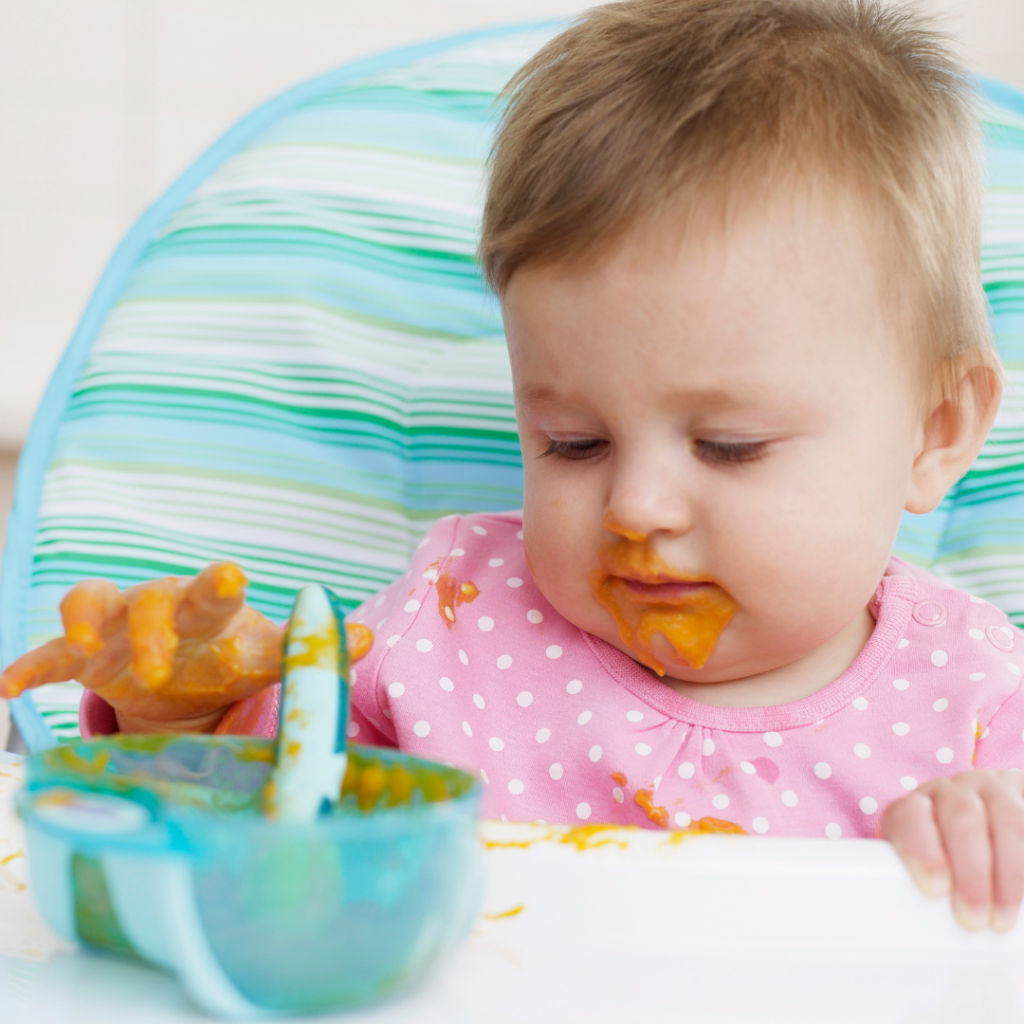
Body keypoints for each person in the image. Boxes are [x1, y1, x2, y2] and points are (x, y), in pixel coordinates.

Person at [3, 0, 1022, 933]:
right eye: (572, 442)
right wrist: (172, 716)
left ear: (935, 429)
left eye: (728, 446)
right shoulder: (444, 626)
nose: (637, 504)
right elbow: (248, 830)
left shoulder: (979, 703)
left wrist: (993, 838)